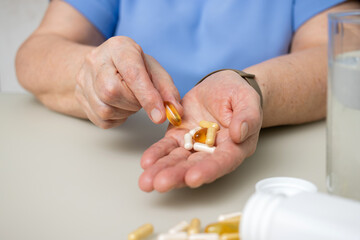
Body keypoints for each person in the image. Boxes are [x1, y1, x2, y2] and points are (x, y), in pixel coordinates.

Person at [16, 0, 360, 193]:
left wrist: (253, 87)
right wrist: (90, 71)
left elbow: (342, 50)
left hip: (272, 176)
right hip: (107, 172)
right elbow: (35, 52)